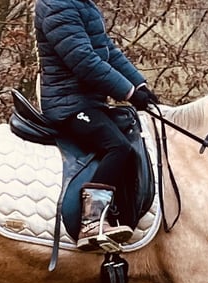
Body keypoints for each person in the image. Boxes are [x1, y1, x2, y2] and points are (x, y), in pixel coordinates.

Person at [34, 0, 159, 250]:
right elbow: (83, 60)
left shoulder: (82, 4)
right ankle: (91, 222)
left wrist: (139, 84)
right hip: (68, 104)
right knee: (118, 147)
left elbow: (107, 51)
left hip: (88, 102)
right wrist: (129, 92)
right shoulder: (57, 5)